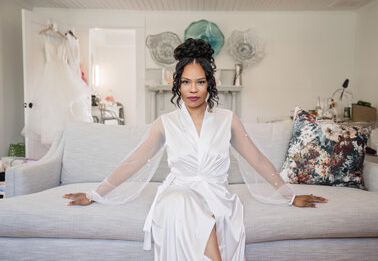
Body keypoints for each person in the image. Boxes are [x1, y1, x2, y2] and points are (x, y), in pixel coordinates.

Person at [63, 38, 328, 261]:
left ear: (210, 84)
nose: (193, 90)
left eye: (200, 82)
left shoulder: (227, 120)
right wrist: (94, 194)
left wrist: (289, 195)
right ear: (177, 84)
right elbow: (133, 162)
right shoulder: (165, 123)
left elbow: (257, 158)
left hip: (217, 196)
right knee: (182, 201)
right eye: (186, 82)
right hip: (176, 195)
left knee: (208, 214)